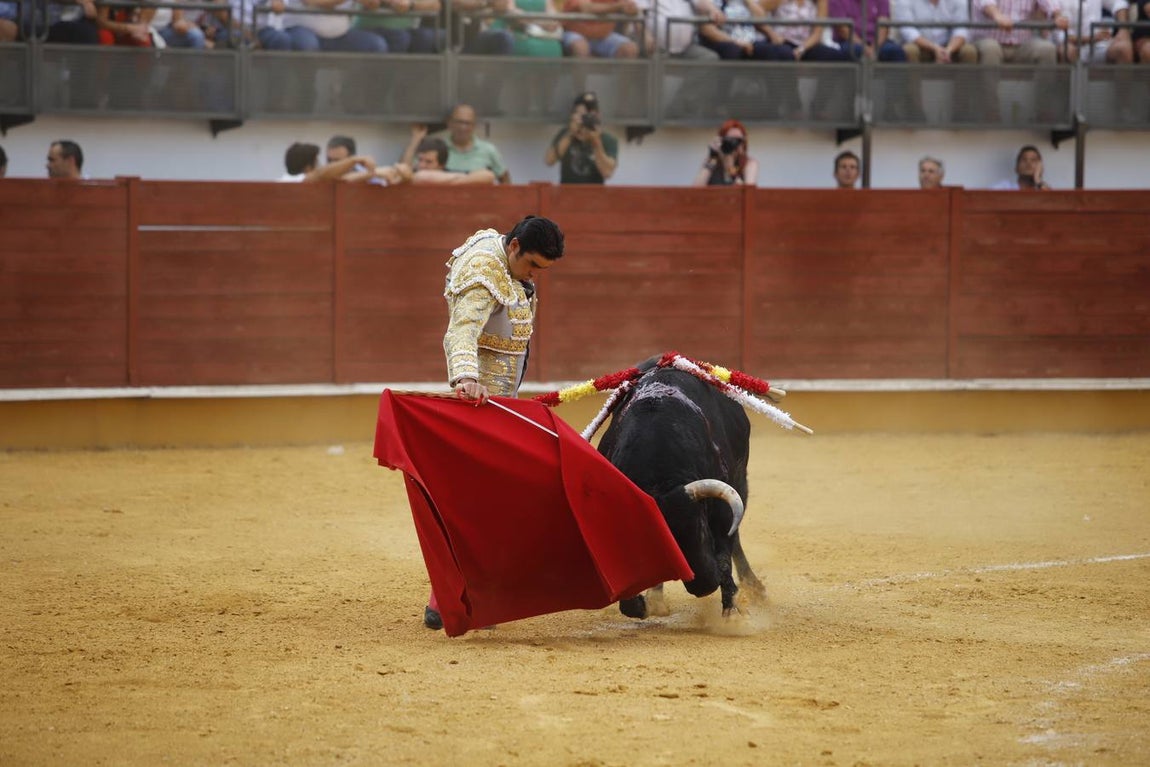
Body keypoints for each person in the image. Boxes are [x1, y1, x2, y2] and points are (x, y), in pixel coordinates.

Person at [426, 215, 566, 630]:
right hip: (479, 405)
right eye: (533, 266)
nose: (536, 276)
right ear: (514, 246)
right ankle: (444, 597)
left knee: (487, 496)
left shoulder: (502, 254)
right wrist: (466, 377)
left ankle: (465, 589)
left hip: (501, 404)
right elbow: (461, 331)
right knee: (475, 499)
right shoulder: (486, 272)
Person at [972, 0, 1069, 121]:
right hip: (990, 40)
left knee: (1047, 50)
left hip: (1021, 44)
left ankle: (1043, 115)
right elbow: (985, 3)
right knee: (990, 49)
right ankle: (991, 115)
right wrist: (998, 16)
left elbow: (1051, 4)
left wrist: (1058, 16)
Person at [401, 105, 511, 183]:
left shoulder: (488, 150)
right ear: (449, 123)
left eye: (468, 123)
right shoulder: (438, 145)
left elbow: (504, 179)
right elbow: (404, 170)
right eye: (459, 122)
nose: (463, 127)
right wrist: (416, 139)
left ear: (474, 125)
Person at [544, 92, 619, 184]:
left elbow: (607, 173)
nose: (584, 118)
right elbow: (549, 161)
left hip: (594, 196)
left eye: (589, 114)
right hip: (566, 195)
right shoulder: (565, 134)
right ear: (573, 115)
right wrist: (570, 134)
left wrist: (596, 141)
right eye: (580, 113)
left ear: (598, 116)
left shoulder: (607, 140)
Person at [561, 0, 641, 58]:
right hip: (575, 33)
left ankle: (623, 82)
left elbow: (631, 8)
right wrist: (618, 6)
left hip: (604, 35)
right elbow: (587, 8)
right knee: (581, 47)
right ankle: (580, 82)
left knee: (630, 49)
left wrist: (631, 9)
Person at [693, 119, 759, 186]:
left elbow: (748, 193)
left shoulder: (749, 163)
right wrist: (712, 156)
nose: (734, 144)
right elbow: (696, 189)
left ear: (744, 143)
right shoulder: (712, 161)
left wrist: (731, 169)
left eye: (738, 141)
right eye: (729, 140)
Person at [279, 141, 381, 182]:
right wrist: (354, 160)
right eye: (316, 162)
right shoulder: (294, 180)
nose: (319, 165)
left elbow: (343, 179)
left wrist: (374, 174)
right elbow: (320, 174)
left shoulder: (289, 180)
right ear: (308, 167)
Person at [412, 137, 498, 184]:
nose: (422, 165)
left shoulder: (450, 174)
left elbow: (488, 176)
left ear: (442, 165)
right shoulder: (413, 173)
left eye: (428, 162)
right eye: (420, 160)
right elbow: (418, 176)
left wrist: (455, 181)